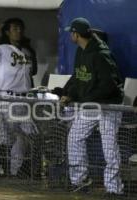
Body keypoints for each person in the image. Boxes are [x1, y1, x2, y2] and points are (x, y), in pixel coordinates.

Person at [62, 17, 124, 196]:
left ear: (76, 34)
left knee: (109, 149)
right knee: (74, 138)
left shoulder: (101, 54)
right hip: (90, 105)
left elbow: (110, 85)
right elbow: (78, 77)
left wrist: (85, 99)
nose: (70, 36)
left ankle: (114, 190)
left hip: (108, 106)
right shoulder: (81, 52)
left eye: (71, 33)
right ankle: (80, 181)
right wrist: (69, 93)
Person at [0, 18, 38, 177]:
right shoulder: (1, 49)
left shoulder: (28, 51)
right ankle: (14, 171)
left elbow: (31, 73)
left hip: (24, 98)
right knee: (26, 134)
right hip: (8, 97)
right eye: (14, 28)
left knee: (10, 138)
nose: (18, 31)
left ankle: (7, 170)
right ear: (7, 32)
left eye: (20, 28)